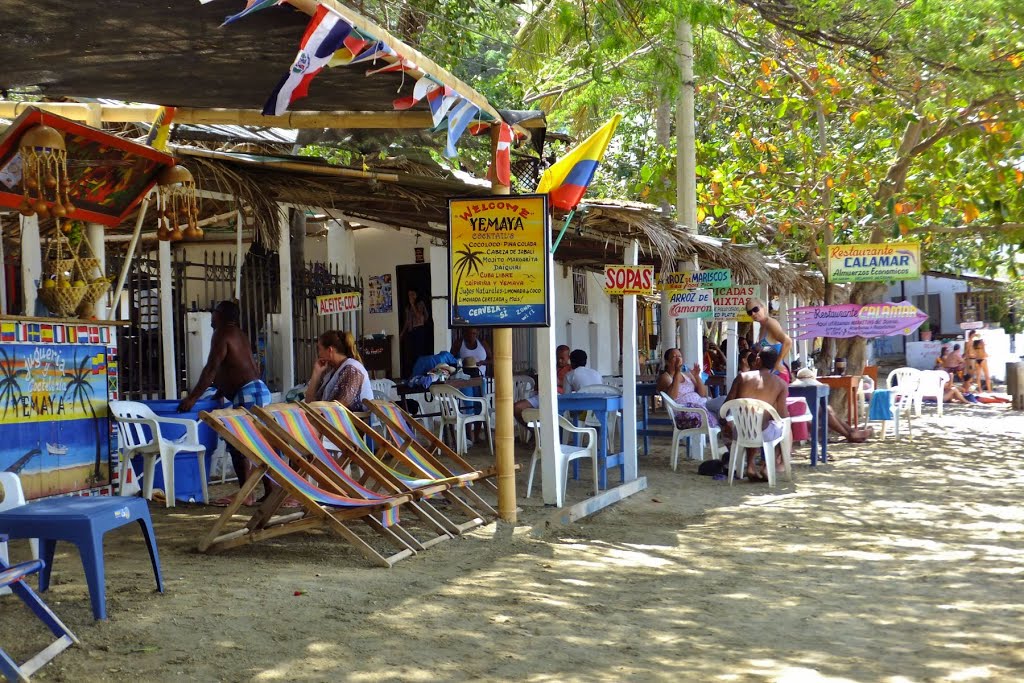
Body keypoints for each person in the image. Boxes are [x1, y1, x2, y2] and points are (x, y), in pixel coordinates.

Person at [178, 300, 271, 505]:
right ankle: (264, 492)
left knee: (239, 444)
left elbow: (212, 368)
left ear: (219, 315)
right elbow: (236, 366)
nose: (211, 317)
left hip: (248, 394)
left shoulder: (222, 333)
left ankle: (246, 494)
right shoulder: (239, 333)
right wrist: (221, 390)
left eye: (214, 313)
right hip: (257, 391)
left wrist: (192, 398)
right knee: (259, 445)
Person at [723, 347, 789, 481]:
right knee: (783, 428)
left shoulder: (742, 377)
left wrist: (726, 421)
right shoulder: (781, 384)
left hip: (741, 432)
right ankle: (767, 466)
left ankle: (751, 465)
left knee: (750, 423)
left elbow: (727, 403)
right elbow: (782, 414)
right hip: (764, 433)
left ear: (758, 360)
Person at [304, 330, 374, 412]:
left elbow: (341, 404)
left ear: (330, 350)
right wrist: (316, 373)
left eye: (319, 349)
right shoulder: (331, 374)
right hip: (330, 419)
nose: (318, 354)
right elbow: (308, 402)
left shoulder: (352, 369)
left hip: (349, 423)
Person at [657, 347, 723, 430]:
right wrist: (677, 372)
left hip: (703, 404)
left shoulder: (687, 374)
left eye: (680, 356)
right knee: (722, 413)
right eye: (674, 357)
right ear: (667, 362)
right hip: (687, 411)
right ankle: (728, 432)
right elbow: (672, 397)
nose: (678, 359)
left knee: (726, 402)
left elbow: (703, 394)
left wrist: (696, 376)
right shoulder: (665, 377)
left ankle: (729, 429)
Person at [514, 345, 571, 424]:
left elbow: (572, 388)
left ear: (568, 357)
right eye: (557, 358)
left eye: (562, 358)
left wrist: (559, 383)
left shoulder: (571, 370)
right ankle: (534, 431)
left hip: (559, 399)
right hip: (542, 395)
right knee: (517, 408)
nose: (559, 361)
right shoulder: (550, 367)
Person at [746, 298, 792, 382]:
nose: (753, 313)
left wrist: (778, 363)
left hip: (777, 374)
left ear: (763, 307)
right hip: (769, 375)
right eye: (749, 312)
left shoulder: (770, 323)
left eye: (755, 309)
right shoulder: (762, 327)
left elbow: (787, 341)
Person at [400, 290, 431, 376]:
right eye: (409, 294)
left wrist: (413, 304)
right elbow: (407, 321)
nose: (411, 296)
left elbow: (419, 317)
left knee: (419, 352)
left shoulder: (420, 304)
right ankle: (413, 373)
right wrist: (402, 333)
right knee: (411, 353)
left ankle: (421, 373)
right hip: (411, 331)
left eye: (412, 294)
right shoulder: (407, 307)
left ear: (416, 295)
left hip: (419, 330)